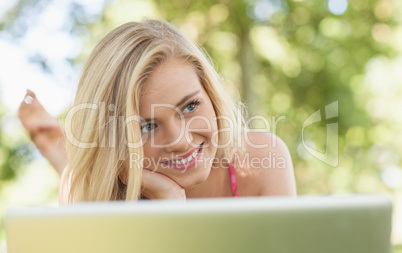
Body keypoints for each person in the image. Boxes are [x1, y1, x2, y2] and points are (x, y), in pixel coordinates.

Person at [19, 19, 296, 203]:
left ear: (210, 95)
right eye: (146, 126)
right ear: (116, 142)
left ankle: (60, 148)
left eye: (189, 106)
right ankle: (60, 150)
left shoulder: (260, 160)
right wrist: (170, 210)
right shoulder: (90, 194)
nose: (181, 141)